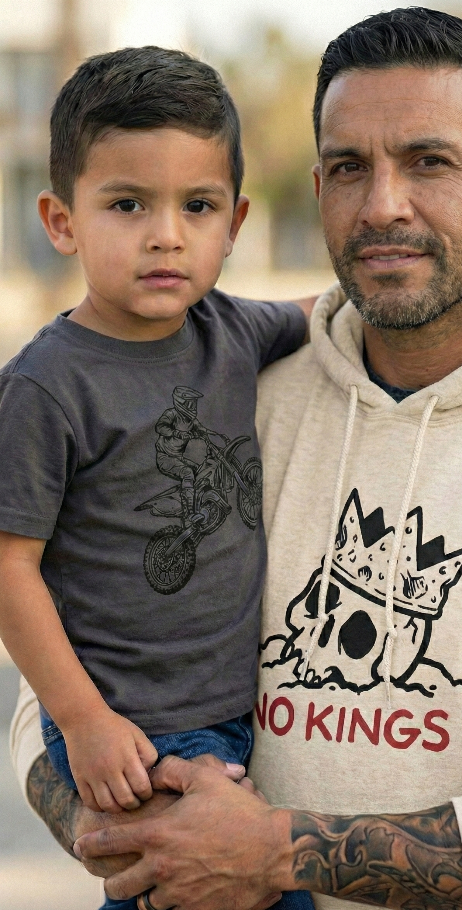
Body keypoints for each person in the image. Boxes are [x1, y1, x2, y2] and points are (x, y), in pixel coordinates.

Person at [11, 7, 462, 910]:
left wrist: (272, 855)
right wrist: (131, 833)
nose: (382, 206)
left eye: (430, 162)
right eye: (346, 168)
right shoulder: (227, 390)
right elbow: (65, 676)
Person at [0, 46, 315, 910]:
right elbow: (7, 566)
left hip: (242, 721)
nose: (167, 233)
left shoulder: (230, 331)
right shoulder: (46, 386)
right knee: (204, 890)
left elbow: (331, 313)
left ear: (235, 224)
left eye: (198, 206)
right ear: (61, 222)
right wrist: (82, 721)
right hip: (128, 729)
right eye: (128, 204)